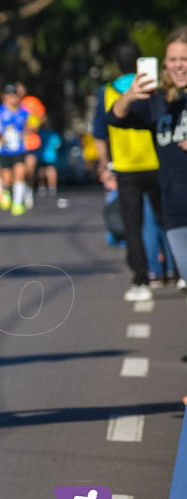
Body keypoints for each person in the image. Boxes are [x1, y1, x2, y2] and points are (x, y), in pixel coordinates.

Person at [108, 27, 187, 313]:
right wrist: (130, 95)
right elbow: (116, 118)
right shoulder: (158, 99)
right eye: (173, 59)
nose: (178, 65)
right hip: (175, 207)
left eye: (184, 59)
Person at [93, 43, 167, 303]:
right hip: (157, 163)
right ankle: (177, 271)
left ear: (116, 64)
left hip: (125, 168)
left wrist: (105, 165)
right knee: (165, 219)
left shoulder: (107, 92)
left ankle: (141, 279)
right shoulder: (153, 88)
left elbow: (100, 133)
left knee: (132, 227)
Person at [0, 83, 35, 216]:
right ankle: (6, 190)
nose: (12, 99)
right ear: (4, 97)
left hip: (19, 149)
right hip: (4, 150)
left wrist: (28, 131)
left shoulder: (24, 112)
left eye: (14, 96)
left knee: (20, 172)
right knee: (7, 177)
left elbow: (32, 125)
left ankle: (18, 202)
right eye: (9, 96)